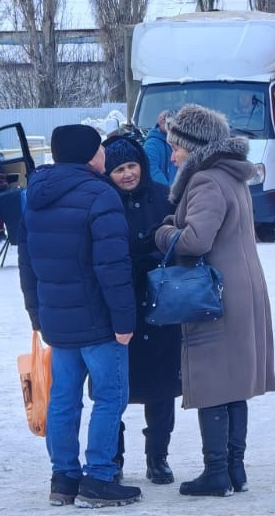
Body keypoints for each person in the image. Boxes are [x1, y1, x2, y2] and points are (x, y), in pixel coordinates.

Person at [154, 105, 275, 497]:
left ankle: (217, 472)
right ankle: (235, 470)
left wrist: (164, 231)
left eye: (177, 148)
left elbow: (195, 241)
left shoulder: (205, 181)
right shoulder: (231, 176)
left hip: (217, 292)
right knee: (234, 382)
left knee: (212, 379)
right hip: (243, 286)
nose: (172, 155)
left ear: (195, 147)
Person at [18, 123, 140, 508]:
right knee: (109, 397)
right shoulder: (100, 195)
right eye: (101, 150)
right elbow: (113, 266)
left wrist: (36, 313)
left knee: (63, 399)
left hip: (58, 320)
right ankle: (100, 477)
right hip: (99, 322)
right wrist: (124, 321)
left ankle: (64, 478)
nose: (106, 156)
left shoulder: (34, 196)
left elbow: (27, 262)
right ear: (90, 155)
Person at [103, 134, 182, 486]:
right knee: (114, 391)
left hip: (160, 304)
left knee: (161, 387)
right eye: (118, 169)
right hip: (118, 308)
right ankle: (114, 458)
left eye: (132, 165)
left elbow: (179, 238)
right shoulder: (103, 201)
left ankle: (158, 457)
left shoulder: (164, 194)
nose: (127, 174)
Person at [144, 110, 177, 189]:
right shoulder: (151, 144)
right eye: (165, 120)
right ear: (160, 122)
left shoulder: (175, 141)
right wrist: (169, 191)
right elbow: (152, 170)